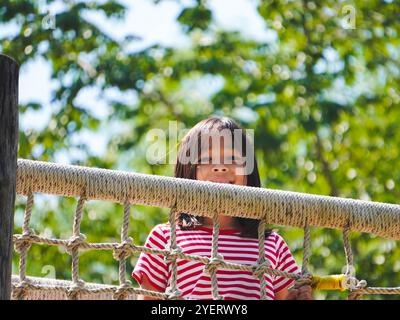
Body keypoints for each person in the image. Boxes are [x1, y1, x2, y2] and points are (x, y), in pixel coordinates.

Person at [132, 116, 313, 300]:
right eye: (207, 159)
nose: (220, 167)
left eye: (232, 158)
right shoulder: (165, 237)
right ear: (188, 171)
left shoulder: (271, 244)